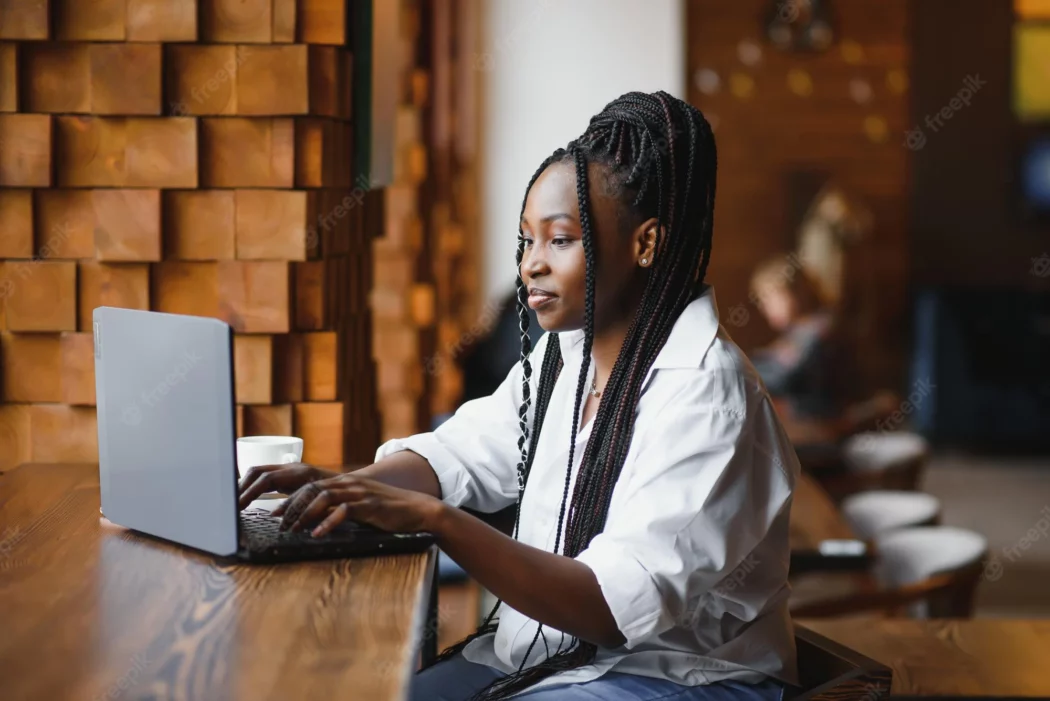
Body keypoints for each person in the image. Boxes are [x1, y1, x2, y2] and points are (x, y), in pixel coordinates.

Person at [238, 91, 800, 701]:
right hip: (563, 660)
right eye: (527, 241)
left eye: (559, 240)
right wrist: (345, 489)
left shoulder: (706, 393)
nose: (531, 264)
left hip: (676, 678)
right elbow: (460, 455)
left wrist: (436, 521)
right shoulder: (568, 356)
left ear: (646, 243)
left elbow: (609, 607)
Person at [748, 255, 844, 422]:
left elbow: (782, 378)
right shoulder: (801, 330)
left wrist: (740, 370)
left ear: (795, 293)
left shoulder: (817, 330)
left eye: (770, 298)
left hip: (821, 425)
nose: (764, 307)